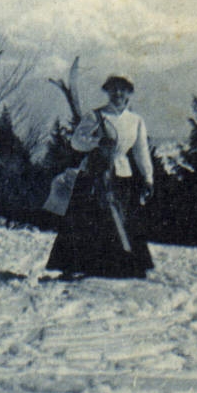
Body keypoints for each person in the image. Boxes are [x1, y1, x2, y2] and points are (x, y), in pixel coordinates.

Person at [44, 74, 154, 280]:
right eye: (113, 89)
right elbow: (76, 141)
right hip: (93, 174)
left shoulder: (135, 121)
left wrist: (148, 177)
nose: (118, 93)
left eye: (123, 89)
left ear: (129, 92)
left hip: (121, 174)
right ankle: (74, 266)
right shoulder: (95, 116)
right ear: (107, 91)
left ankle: (123, 266)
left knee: (121, 219)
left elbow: (141, 151)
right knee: (84, 218)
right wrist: (96, 143)